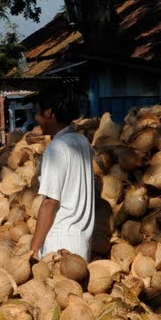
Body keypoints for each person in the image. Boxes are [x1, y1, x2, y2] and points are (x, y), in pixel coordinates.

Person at [27, 85, 95, 262]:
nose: (36, 119)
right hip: (81, 243)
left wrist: (33, 250)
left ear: (49, 113)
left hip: (59, 245)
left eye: (37, 113)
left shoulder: (57, 148)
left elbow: (50, 202)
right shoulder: (82, 142)